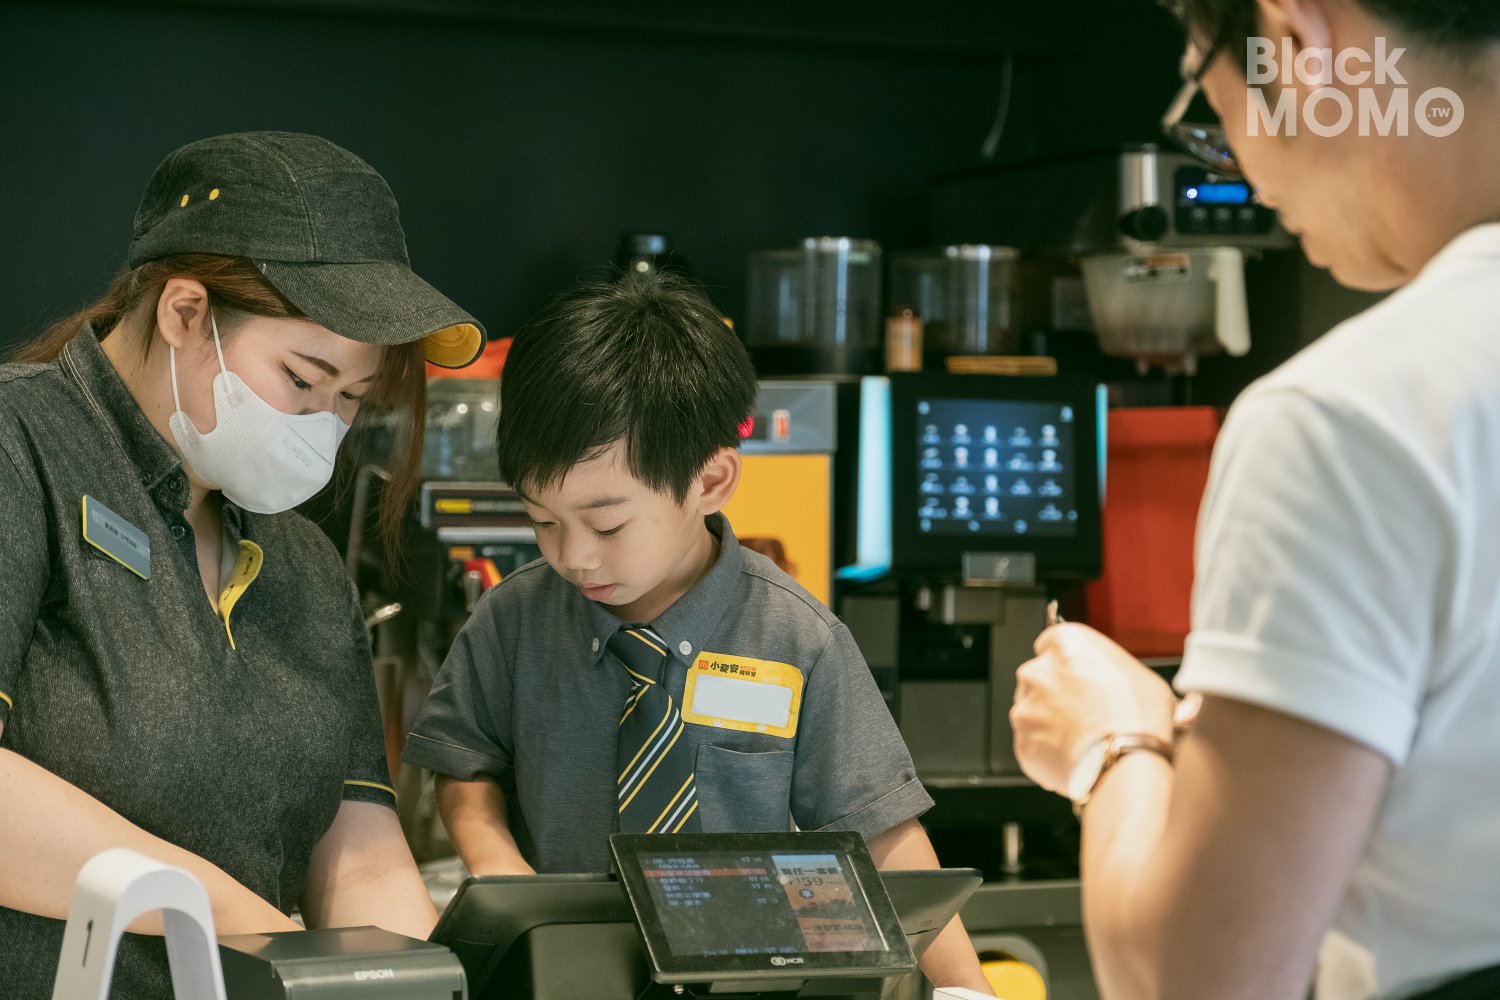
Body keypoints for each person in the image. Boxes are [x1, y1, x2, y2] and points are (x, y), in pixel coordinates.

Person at [1009, 2, 1500, 999]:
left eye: (1205, 92)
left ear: (1294, 43)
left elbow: (1203, 977)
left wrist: (1112, 740)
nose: (1231, 154)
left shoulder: (1351, 415)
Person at [403, 273, 992, 993]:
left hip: (749, 979)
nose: (574, 556)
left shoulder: (797, 637)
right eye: (542, 521)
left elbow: (883, 828)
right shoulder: (514, 620)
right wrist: (501, 869)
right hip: (564, 977)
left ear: (709, 483)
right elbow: (464, 763)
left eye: (608, 525)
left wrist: (968, 989)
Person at [0, 131, 486, 998]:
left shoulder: (303, 564)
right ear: (185, 313)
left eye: (351, 399)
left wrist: (424, 980)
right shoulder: (21, 450)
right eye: (302, 379)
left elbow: (358, 852)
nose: (323, 427)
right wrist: (222, 911)